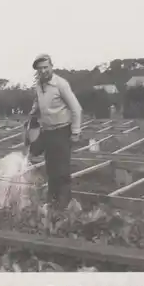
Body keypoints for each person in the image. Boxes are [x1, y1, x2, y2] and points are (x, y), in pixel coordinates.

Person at [25, 53, 83, 210]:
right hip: (48, 131)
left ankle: (64, 205)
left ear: (51, 66)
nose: (43, 71)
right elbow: (37, 105)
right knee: (51, 168)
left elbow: (76, 108)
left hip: (62, 130)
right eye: (40, 69)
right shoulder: (39, 85)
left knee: (62, 169)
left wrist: (76, 131)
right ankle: (52, 201)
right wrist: (31, 117)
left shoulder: (61, 84)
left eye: (46, 67)